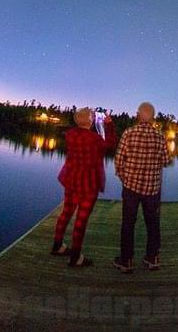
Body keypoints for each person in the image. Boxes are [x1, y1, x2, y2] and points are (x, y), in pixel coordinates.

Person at [52, 107, 116, 267]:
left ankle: (57, 246)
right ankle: (75, 257)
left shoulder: (70, 135)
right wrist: (108, 125)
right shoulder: (94, 139)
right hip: (89, 183)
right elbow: (110, 143)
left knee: (66, 213)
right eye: (92, 116)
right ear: (89, 120)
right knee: (81, 220)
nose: (94, 117)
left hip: (71, 180)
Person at [113, 101, 171, 273]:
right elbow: (166, 161)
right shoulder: (159, 136)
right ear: (153, 118)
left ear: (138, 115)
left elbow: (118, 160)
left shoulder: (129, 133)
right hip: (152, 189)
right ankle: (152, 258)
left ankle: (126, 261)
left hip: (131, 187)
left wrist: (124, 178)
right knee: (152, 223)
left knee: (128, 224)